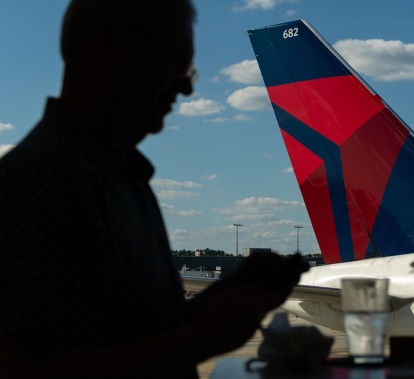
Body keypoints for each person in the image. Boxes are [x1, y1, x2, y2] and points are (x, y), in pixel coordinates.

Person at [0, 1, 310, 378]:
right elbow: (28, 368)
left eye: (187, 69)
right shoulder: (36, 184)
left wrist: (222, 299)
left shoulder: (120, 177)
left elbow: (139, 333)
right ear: (106, 46)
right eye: (174, 61)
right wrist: (204, 339)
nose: (185, 88)